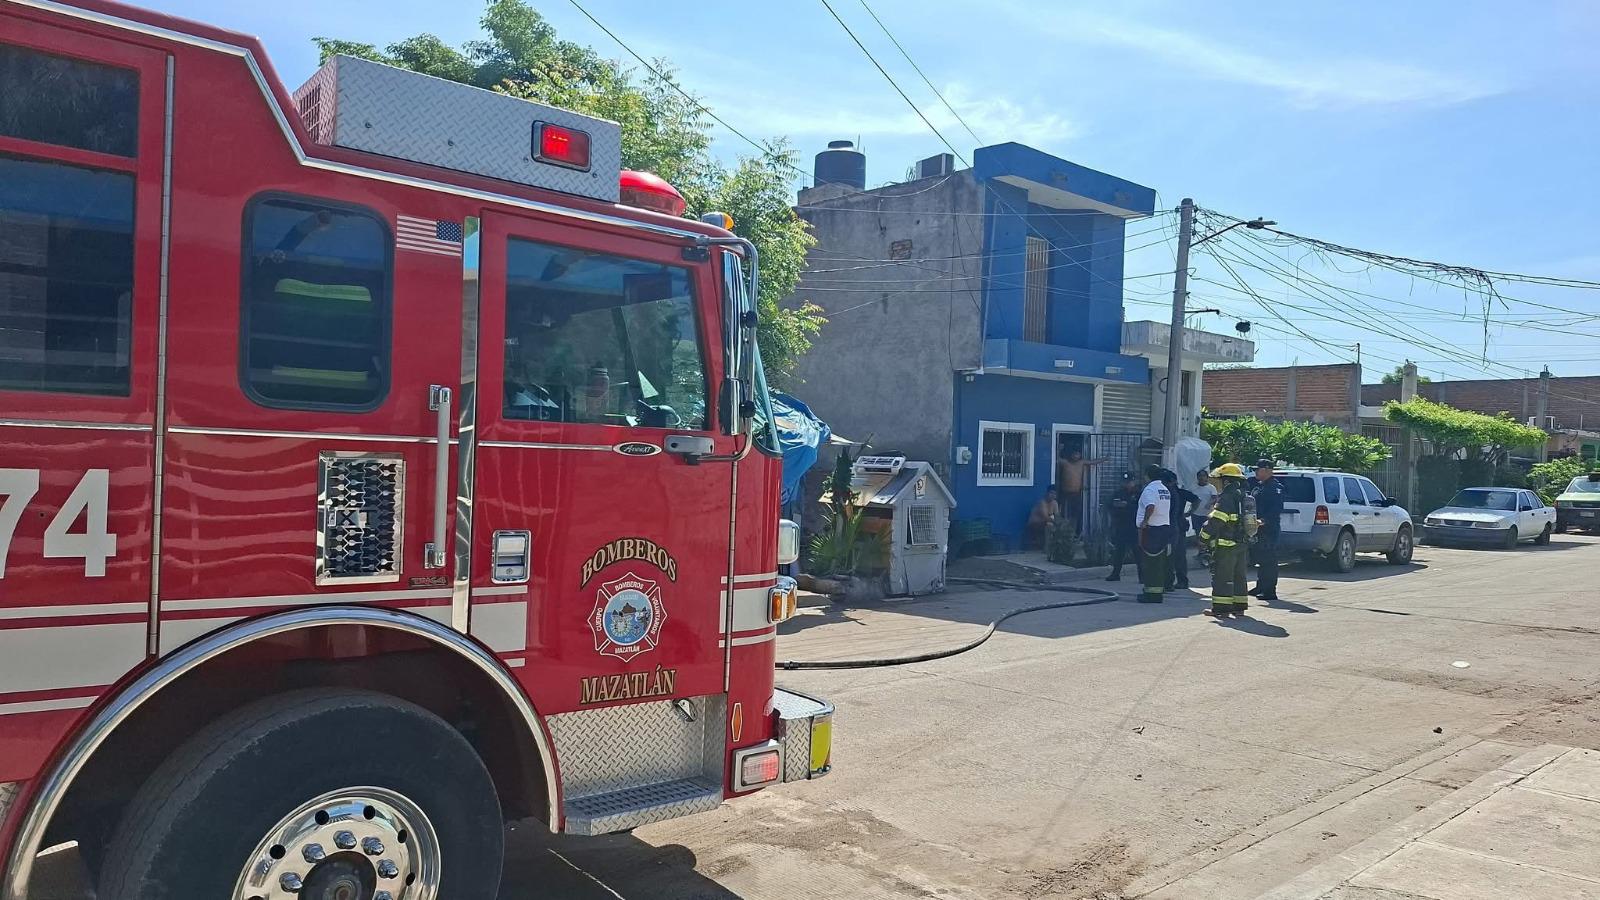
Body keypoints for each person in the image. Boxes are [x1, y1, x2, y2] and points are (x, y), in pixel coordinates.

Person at [1200, 463, 1252, 617]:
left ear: (1226, 480)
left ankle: (1221, 610)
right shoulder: (1243, 494)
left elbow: (1217, 521)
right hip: (1242, 542)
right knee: (1239, 576)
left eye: (1220, 480)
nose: (1218, 483)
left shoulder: (1227, 497)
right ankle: (1239, 607)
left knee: (1222, 576)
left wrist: (1203, 537)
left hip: (1225, 543)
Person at [1249, 458, 1284, 603]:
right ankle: (1260, 586)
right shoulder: (1259, 486)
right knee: (1261, 558)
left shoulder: (1275, 488)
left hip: (1269, 528)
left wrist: (1264, 521)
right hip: (1257, 527)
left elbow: (1276, 509)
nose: (1256, 472)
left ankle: (1270, 591)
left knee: (1269, 560)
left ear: (1268, 470)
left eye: (1259, 469)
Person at [1137, 464, 1172, 603]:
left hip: (1152, 530)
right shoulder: (1164, 489)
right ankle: (1157, 591)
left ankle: (1151, 594)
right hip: (1163, 529)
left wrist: (1145, 522)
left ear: (1147, 475)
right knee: (1159, 563)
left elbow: (1150, 506)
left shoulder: (1150, 489)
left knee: (1150, 563)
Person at [1056, 448, 1107, 533]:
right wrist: (1059, 449)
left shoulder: (1081, 463)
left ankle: (1072, 532)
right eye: (1074, 454)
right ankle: (1062, 532)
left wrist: (1105, 459)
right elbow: (1055, 458)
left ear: (1080, 455)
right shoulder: (1065, 463)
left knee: (1075, 514)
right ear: (1071, 455)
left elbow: (1093, 462)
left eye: (1077, 454)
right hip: (1065, 493)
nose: (1076, 456)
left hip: (1076, 493)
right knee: (1063, 513)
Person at [1164, 469, 1199, 590]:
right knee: (1174, 555)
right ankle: (1173, 581)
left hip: (1177, 525)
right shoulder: (1172, 492)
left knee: (1177, 555)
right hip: (1173, 524)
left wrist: (1189, 513)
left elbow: (1196, 500)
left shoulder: (1177, 493)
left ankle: (1179, 581)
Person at [1104, 474, 1142, 582]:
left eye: (1129, 481)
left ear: (1134, 482)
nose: (1127, 484)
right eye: (1125, 481)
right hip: (1121, 526)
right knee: (1119, 552)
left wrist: (1127, 505)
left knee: (1138, 553)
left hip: (1134, 527)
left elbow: (1141, 508)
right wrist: (1116, 507)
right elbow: (1109, 505)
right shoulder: (1118, 493)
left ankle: (1142, 576)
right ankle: (1115, 574)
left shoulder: (1139, 494)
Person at [1192, 468, 1219, 567]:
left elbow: (1215, 498)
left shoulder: (1211, 488)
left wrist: (1210, 503)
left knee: (1208, 534)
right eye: (1200, 476)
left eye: (1203, 476)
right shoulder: (1194, 488)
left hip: (1207, 515)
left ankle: (1210, 552)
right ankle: (1201, 552)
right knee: (1197, 533)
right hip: (1196, 514)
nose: (1202, 478)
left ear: (1207, 477)